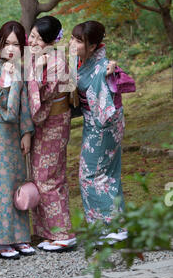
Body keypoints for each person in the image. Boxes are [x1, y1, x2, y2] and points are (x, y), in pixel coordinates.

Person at [0, 21, 35, 260]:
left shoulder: (17, 68)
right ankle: (3, 241)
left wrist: (26, 133)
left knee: (16, 180)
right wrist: (9, 80)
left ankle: (21, 236)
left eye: (16, 44)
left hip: (13, 129)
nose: (10, 49)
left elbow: (22, 106)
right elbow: (1, 97)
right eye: (6, 43)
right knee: (1, 181)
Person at [69, 20, 127, 243]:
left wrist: (108, 71)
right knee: (110, 175)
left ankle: (109, 228)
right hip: (101, 122)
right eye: (73, 38)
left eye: (78, 40)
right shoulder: (87, 61)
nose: (73, 44)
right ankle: (116, 227)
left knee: (91, 175)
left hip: (103, 124)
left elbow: (103, 101)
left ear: (93, 46)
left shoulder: (102, 67)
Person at [27, 15, 76, 253]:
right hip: (46, 124)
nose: (31, 41)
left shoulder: (55, 61)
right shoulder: (41, 58)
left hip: (54, 122)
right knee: (42, 176)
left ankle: (63, 234)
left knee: (48, 178)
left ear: (48, 41)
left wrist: (35, 70)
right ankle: (49, 232)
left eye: (37, 38)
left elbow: (43, 95)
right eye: (32, 35)